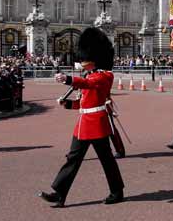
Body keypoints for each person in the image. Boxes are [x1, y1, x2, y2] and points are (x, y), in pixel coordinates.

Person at [39, 27, 124, 207]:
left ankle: (117, 191)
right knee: (73, 159)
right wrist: (69, 104)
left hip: (98, 124)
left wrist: (68, 79)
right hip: (83, 124)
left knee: (106, 160)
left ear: (94, 58)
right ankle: (59, 193)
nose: (81, 60)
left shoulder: (105, 76)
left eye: (84, 57)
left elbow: (89, 84)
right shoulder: (90, 75)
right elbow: (84, 103)